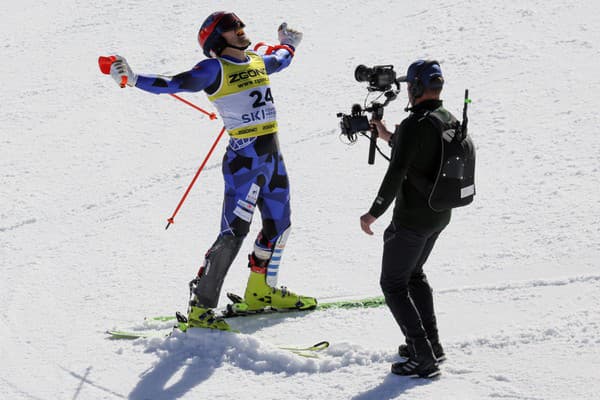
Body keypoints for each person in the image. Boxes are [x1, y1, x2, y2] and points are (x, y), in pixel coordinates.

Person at [106, 11, 317, 331]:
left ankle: (261, 291)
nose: (242, 31)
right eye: (234, 28)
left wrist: (289, 44)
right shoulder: (213, 68)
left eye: (241, 25)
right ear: (218, 38)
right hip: (243, 163)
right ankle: (200, 308)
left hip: (272, 157)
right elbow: (174, 84)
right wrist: (133, 79)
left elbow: (280, 59)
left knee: (279, 225)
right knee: (234, 233)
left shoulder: (257, 60)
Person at [360, 60, 457, 378]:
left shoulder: (416, 123)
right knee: (414, 274)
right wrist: (388, 135)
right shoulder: (445, 118)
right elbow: (419, 153)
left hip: (412, 218)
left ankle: (423, 356)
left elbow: (397, 171)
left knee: (393, 284)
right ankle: (432, 345)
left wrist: (373, 212)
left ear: (414, 88)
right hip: (439, 215)